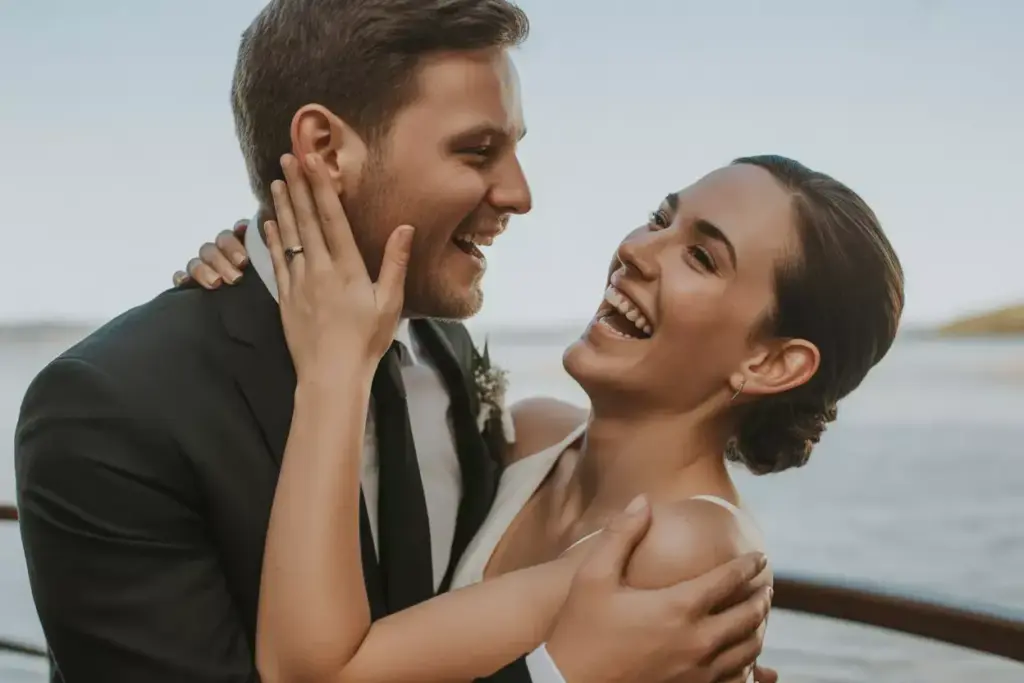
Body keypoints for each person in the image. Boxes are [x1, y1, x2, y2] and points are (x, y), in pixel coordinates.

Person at [14, 1, 778, 682]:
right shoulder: (109, 413)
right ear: (324, 149)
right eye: (478, 150)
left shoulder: (445, 351)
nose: (519, 193)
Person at [183, 151, 904, 683]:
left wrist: (332, 367)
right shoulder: (531, 435)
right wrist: (266, 275)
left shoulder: (683, 545)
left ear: (772, 364)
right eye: (660, 217)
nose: (637, 250)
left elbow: (313, 674)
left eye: (702, 258)